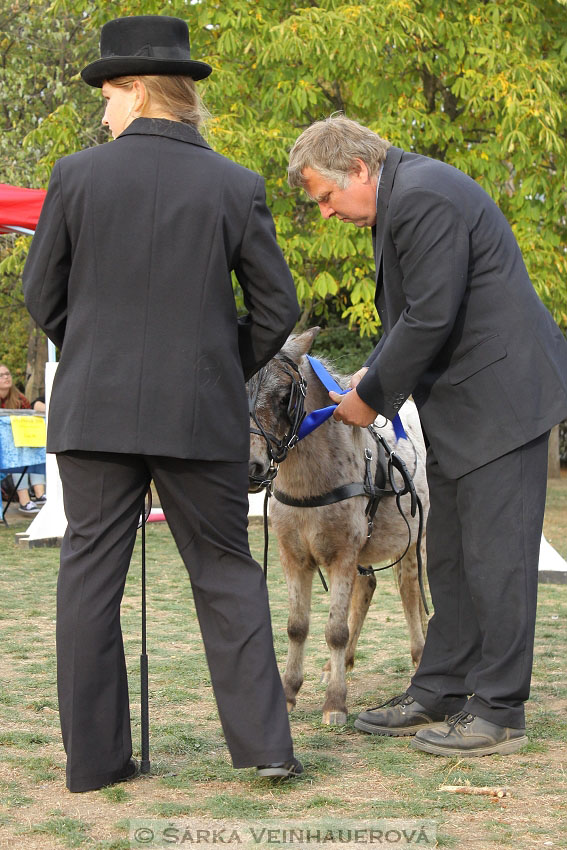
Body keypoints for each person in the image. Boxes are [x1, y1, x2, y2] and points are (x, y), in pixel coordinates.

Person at [23, 14, 302, 792]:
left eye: (106, 97)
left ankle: (97, 764)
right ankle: (265, 750)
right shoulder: (235, 184)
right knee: (224, 572)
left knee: (87, 578)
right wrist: (214, 364)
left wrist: (101, 355)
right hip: (198, 411)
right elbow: (276, 309)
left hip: (95, 410)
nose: (101, 114)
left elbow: (39, 293)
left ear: (136, 90)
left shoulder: (76, 176)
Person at [288, 115, 567, 757]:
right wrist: (370, 372)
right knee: (450, 554)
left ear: (358, 169)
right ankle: (440, 687)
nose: (326, 214)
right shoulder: (407, 196)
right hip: (466, 410)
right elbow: (419, 313)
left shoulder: (423, 196)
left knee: (497, 561)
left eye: (326, 197)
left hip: (503, 403)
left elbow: (433, 313)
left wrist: (369, 398)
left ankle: (498, 711)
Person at [0, 364, 46, 513]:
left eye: (8, 374)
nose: (6, 377)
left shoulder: (19, 398)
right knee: (17, 457)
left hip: (20, 443)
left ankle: (40, 495)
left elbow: (29, 419)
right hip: (5, 448)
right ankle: (24, 500)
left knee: (32, 453)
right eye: (1, 375)